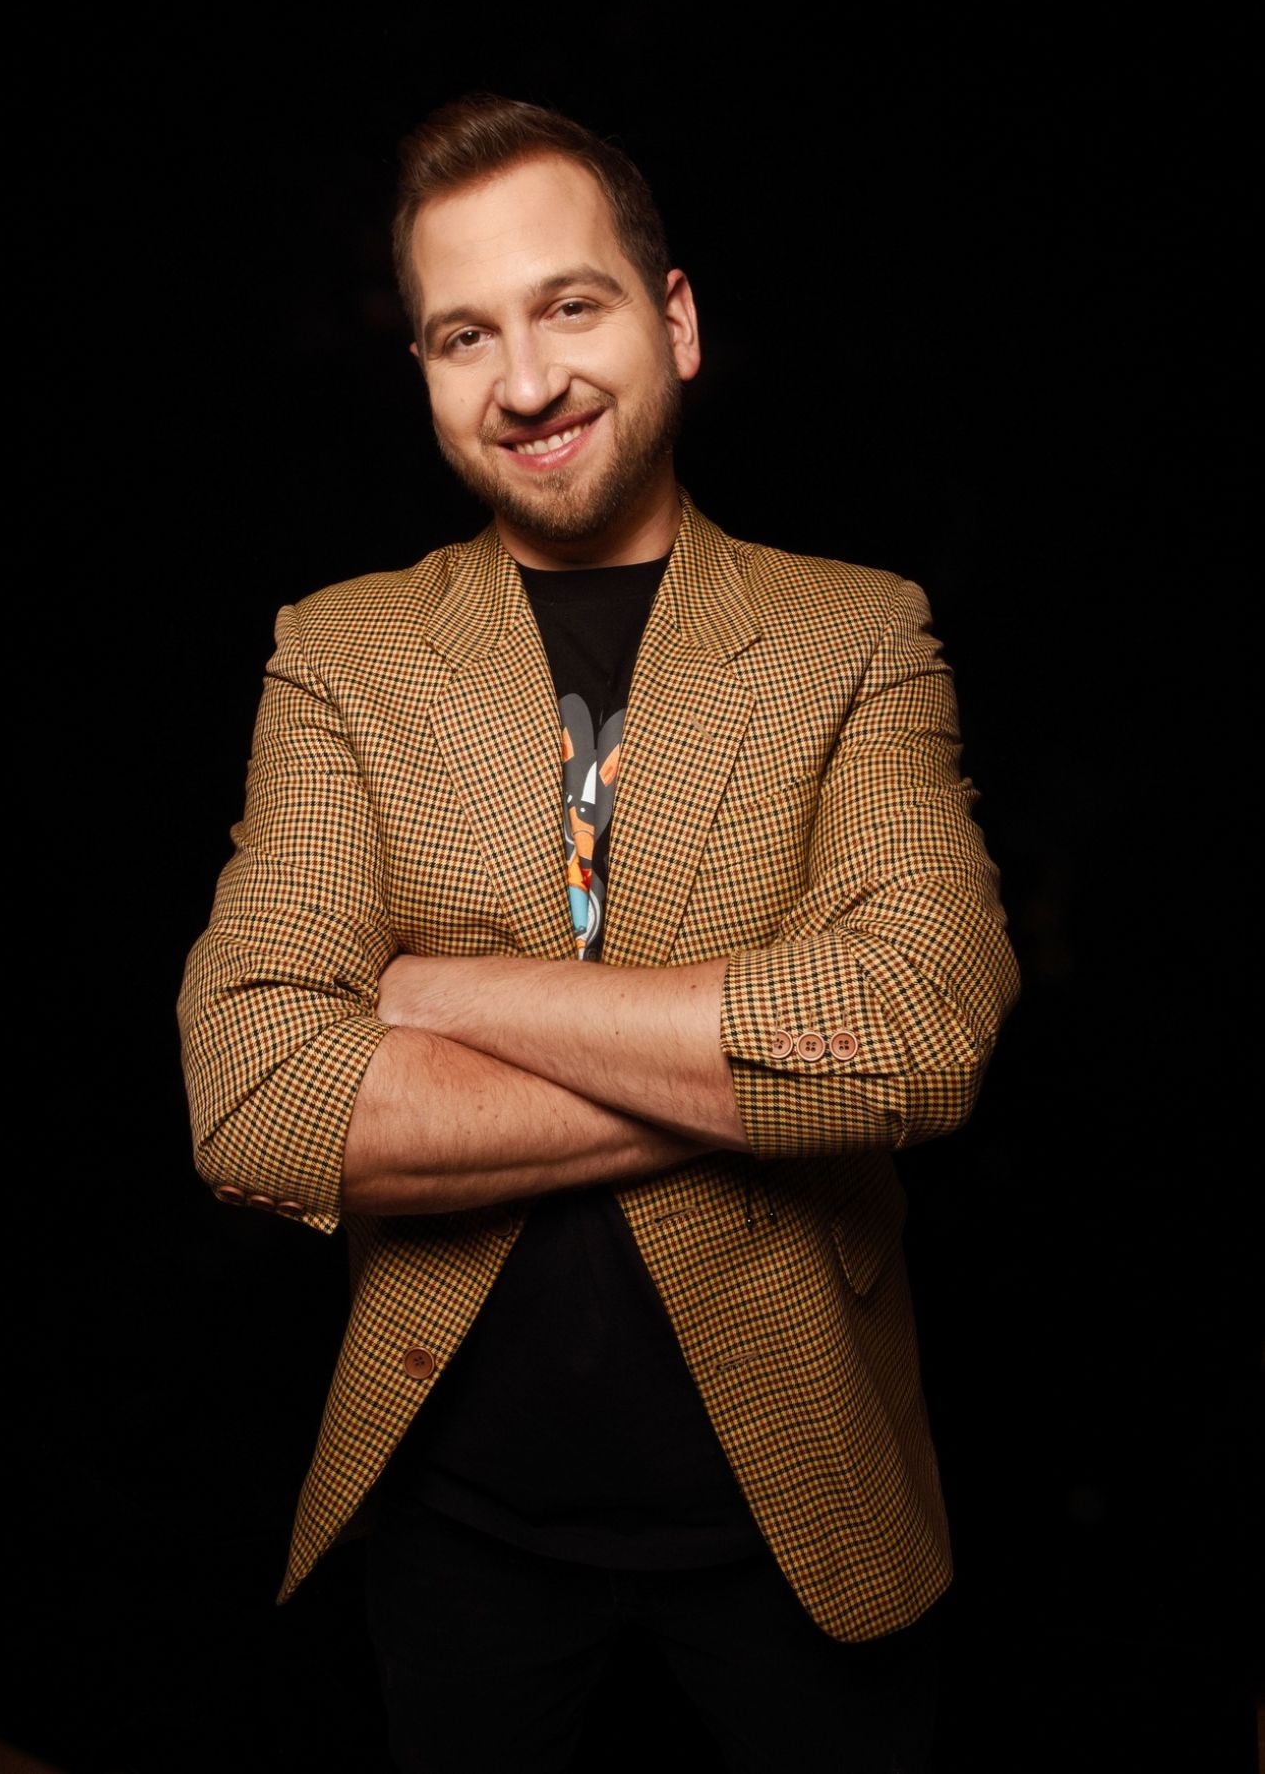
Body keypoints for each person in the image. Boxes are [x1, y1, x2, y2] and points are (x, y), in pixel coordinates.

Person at [178, 93, 1020, 1774]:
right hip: (461, 1524)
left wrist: (438, 996)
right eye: (464, 335)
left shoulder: (857, 632)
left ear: (675, 320)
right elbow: (257, 1095)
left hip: (797, 1503)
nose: (527, 380)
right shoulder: (340, 653)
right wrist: (743, 1079)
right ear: (425, 370)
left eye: (571, 305)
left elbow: (918, 1031)